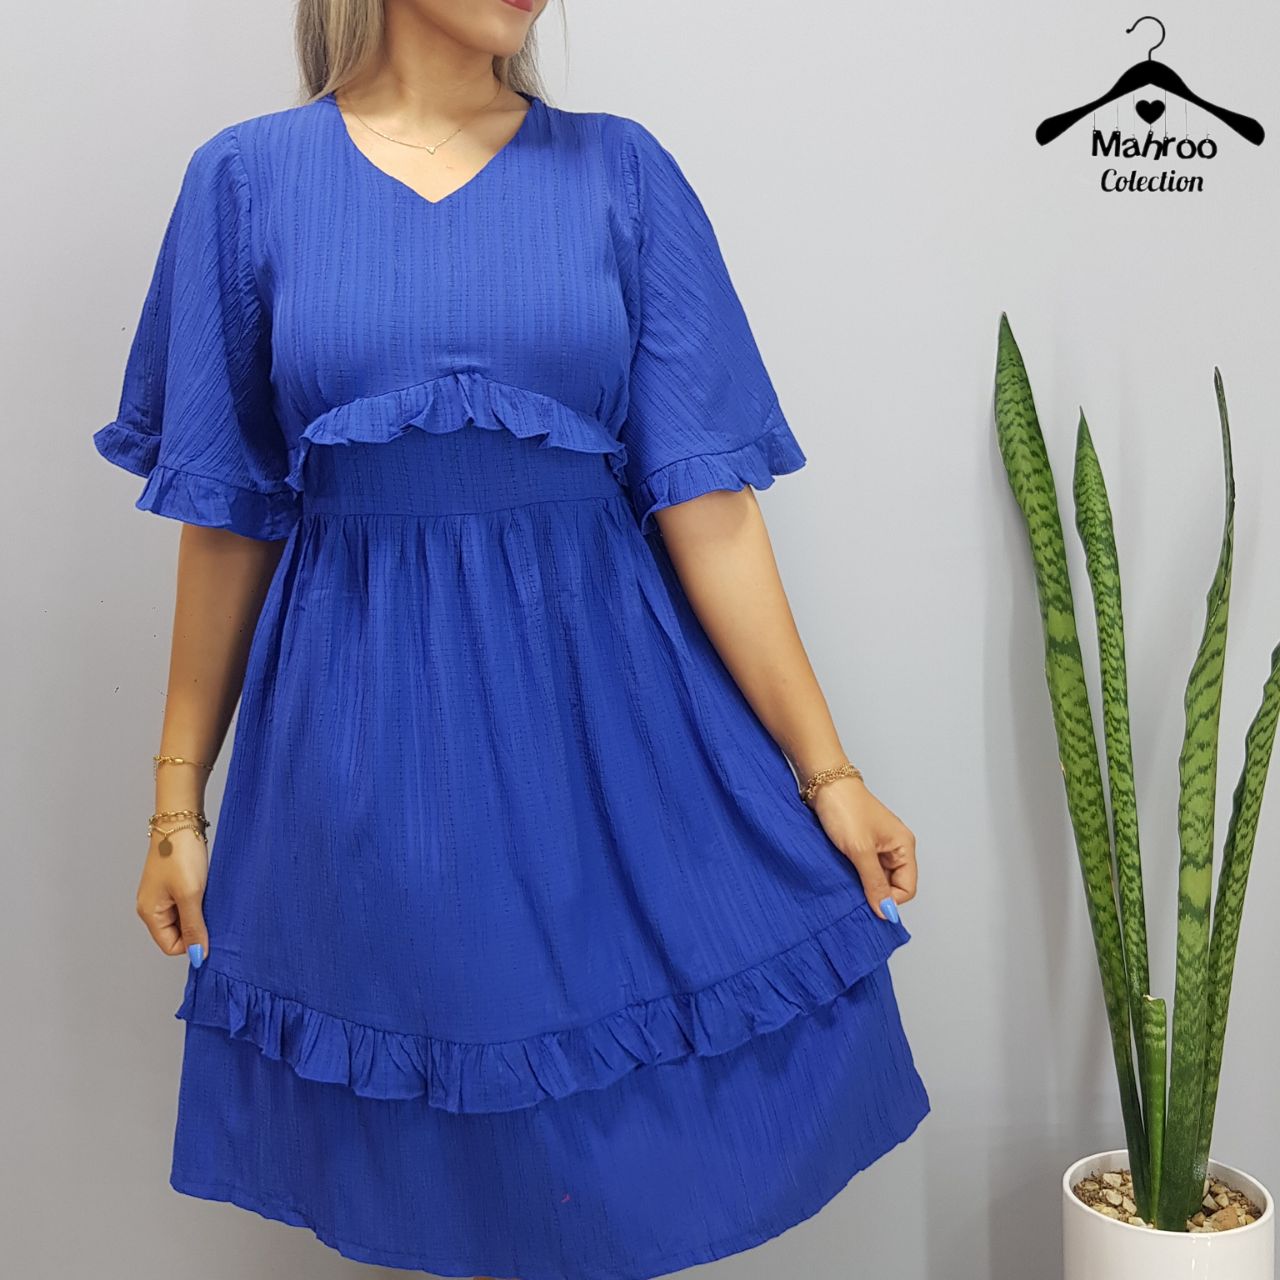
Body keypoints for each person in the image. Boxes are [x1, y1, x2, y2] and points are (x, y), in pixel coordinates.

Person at [93, 1, 930, 1276]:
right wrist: (175, 804)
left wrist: (829, 772)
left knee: (605, 1160)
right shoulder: (247, 181)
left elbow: (710, 511)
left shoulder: (621, 172)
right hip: (368, 738)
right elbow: (225, 519)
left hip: (606, 734)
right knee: (448, 1152)